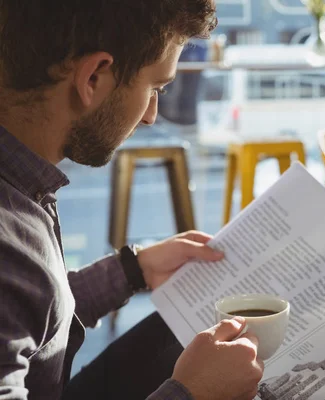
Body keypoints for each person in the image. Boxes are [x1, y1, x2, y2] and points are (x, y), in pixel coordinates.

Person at [0, 1, 264, 399]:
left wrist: (131, 270)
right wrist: (192, 395)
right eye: (154, 87)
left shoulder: (20, 182)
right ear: (93, 77)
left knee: (184, 335)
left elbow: (31, 311)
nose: (150, 116)